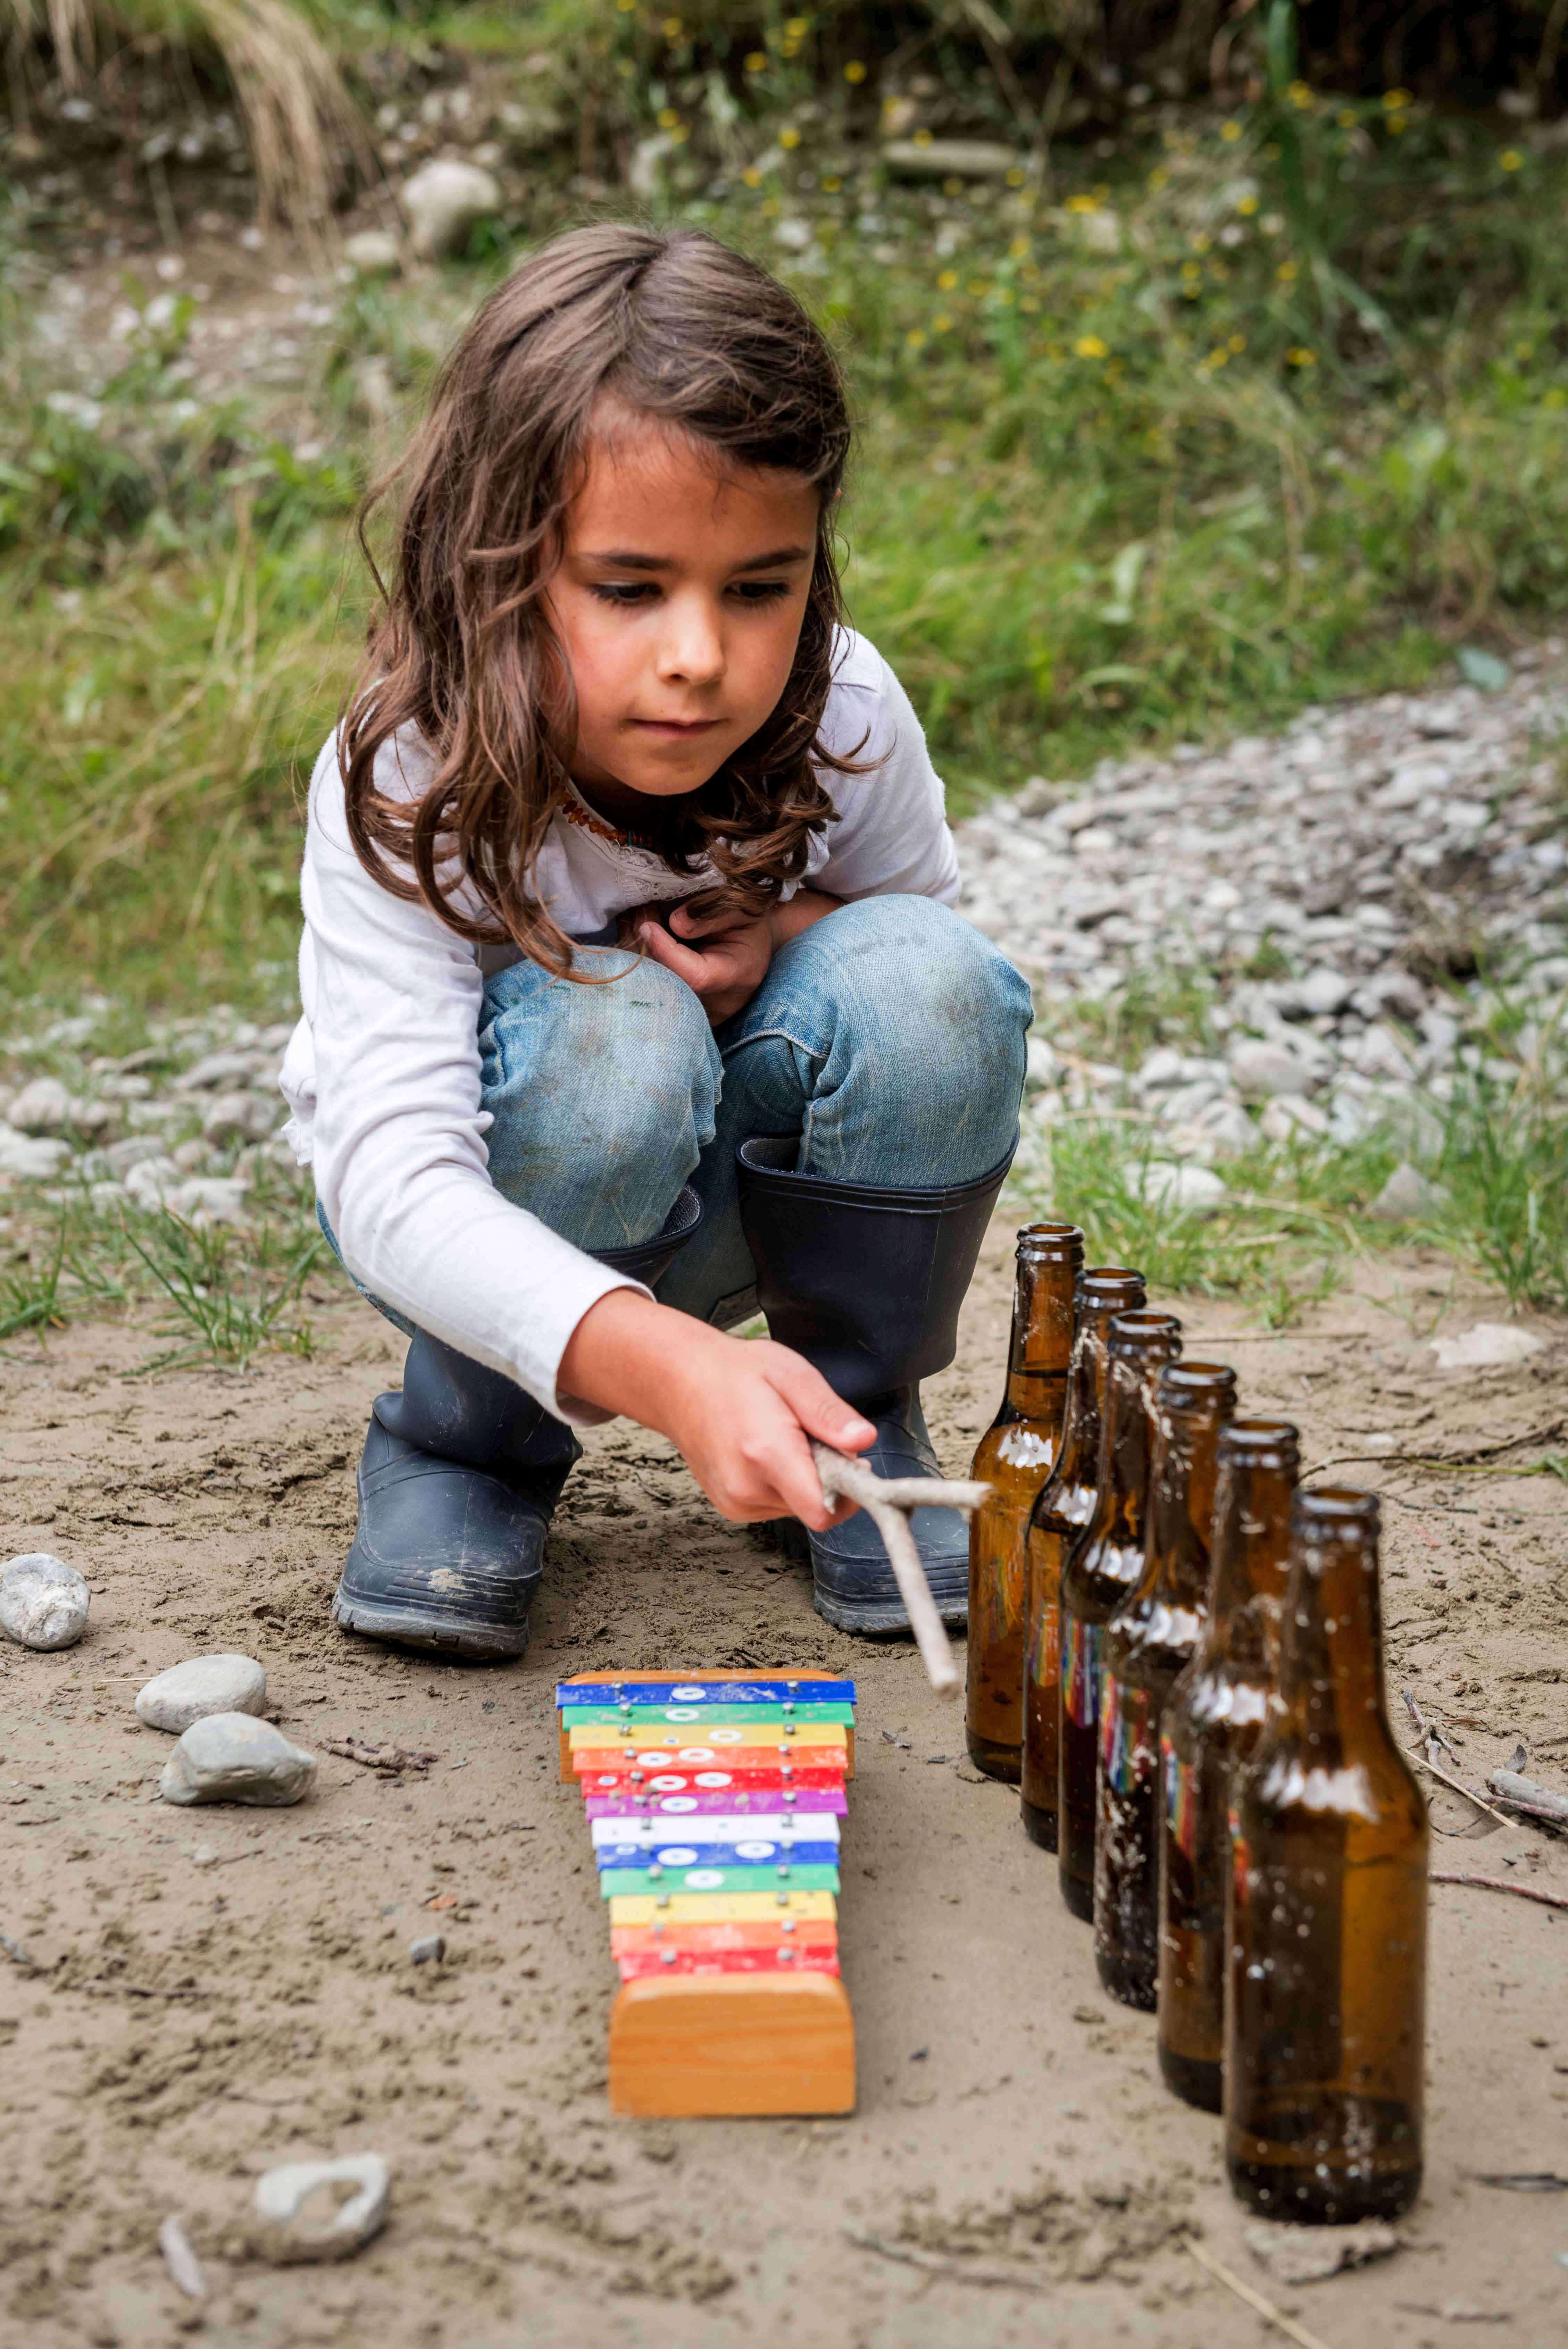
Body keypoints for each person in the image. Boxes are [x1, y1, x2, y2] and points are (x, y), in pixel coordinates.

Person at [279, 223, 1031, 1661]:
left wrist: (781, 936)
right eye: (628, 589)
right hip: (498, 1223)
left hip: (742, 1199)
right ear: (492, 568)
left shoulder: (843, 709)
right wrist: (676, 1367)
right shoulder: (412, 769)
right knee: (612, 1025)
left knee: (934, 983)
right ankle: (473, 1446)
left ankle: (844, 1419)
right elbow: (390, 1178)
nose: (700, 655)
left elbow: (916, 985)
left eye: (759, 586)